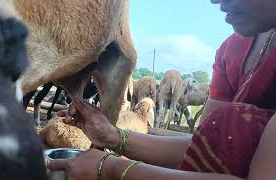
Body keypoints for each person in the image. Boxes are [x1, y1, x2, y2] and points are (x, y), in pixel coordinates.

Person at [47, 0, 276, 179]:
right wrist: (113, 136)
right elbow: (206, 148)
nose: (214, 1)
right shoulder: (230, 51)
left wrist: (112, 169)